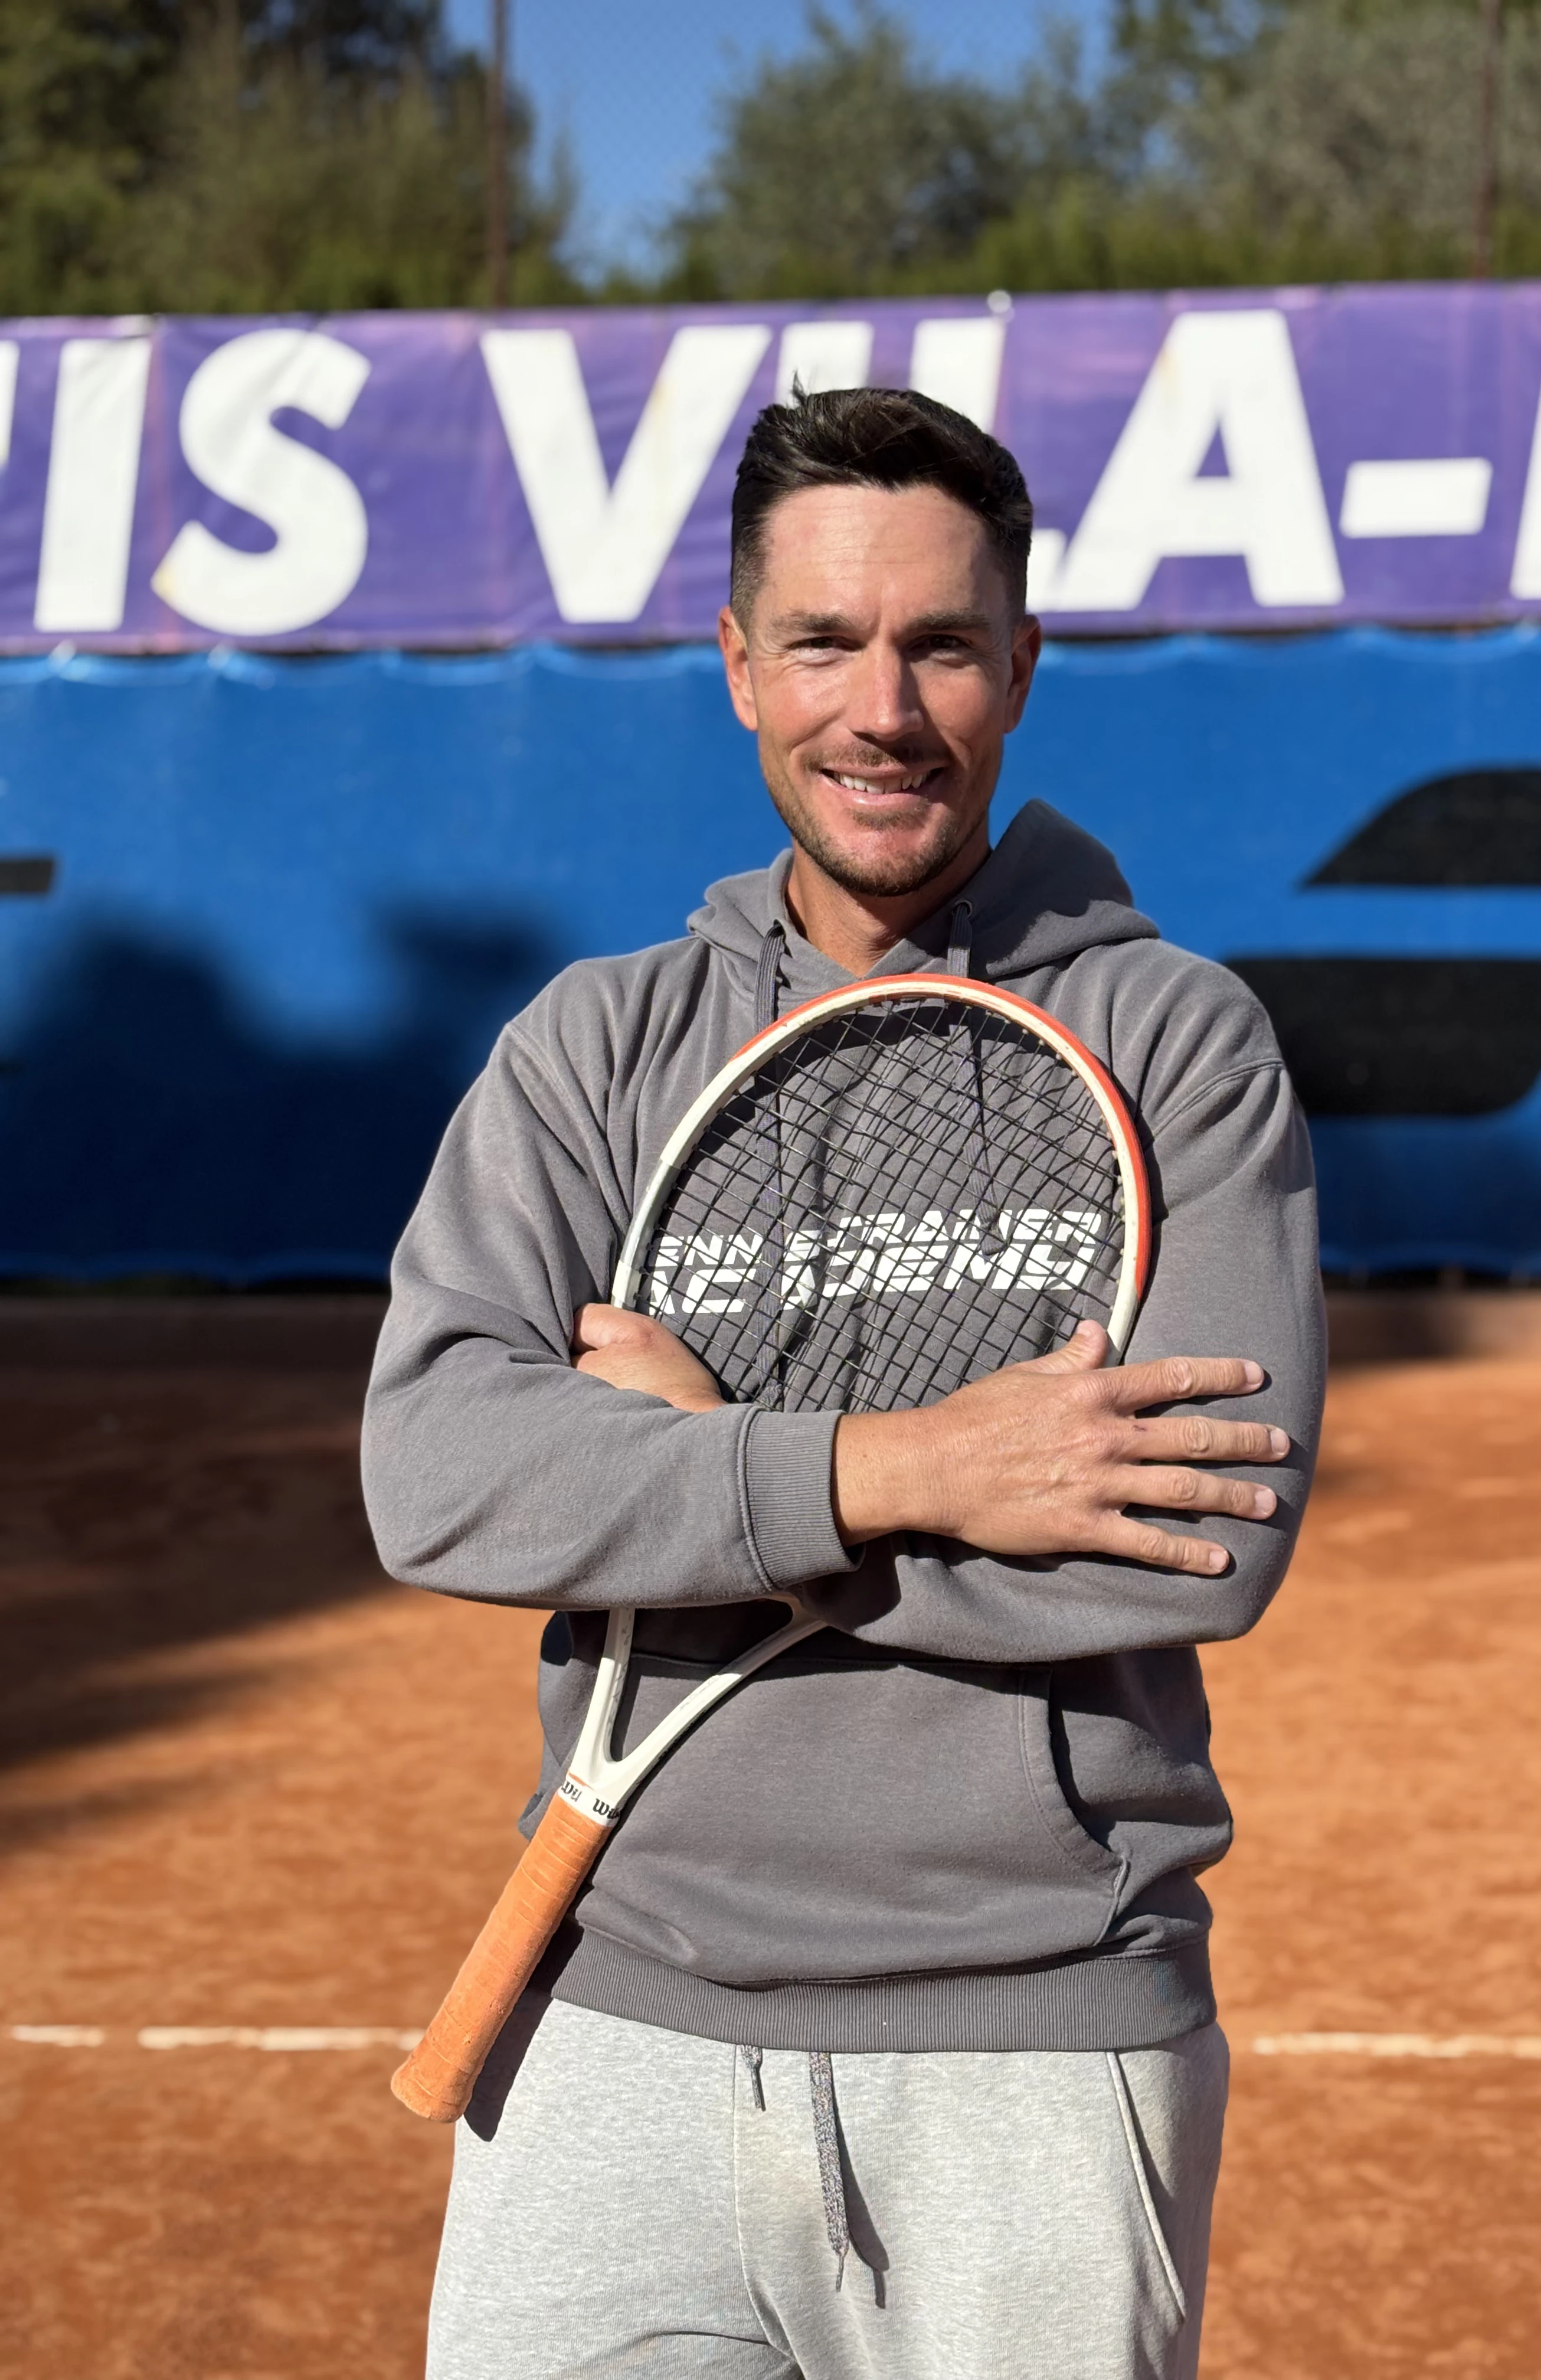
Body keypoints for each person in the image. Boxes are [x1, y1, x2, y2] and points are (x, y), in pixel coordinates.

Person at [362, 385, 1326, 2380]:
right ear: (736, 666)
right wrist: (918, 1467)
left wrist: (700, 1460)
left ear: (1021, 669)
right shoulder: (596, 1046)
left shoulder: (1180, 1041)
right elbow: (439, 1470)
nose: (880, 708)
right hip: (613, 2020)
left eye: (941, 645)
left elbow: (1193, 1539)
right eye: (821, 641)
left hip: (1034, 2046)